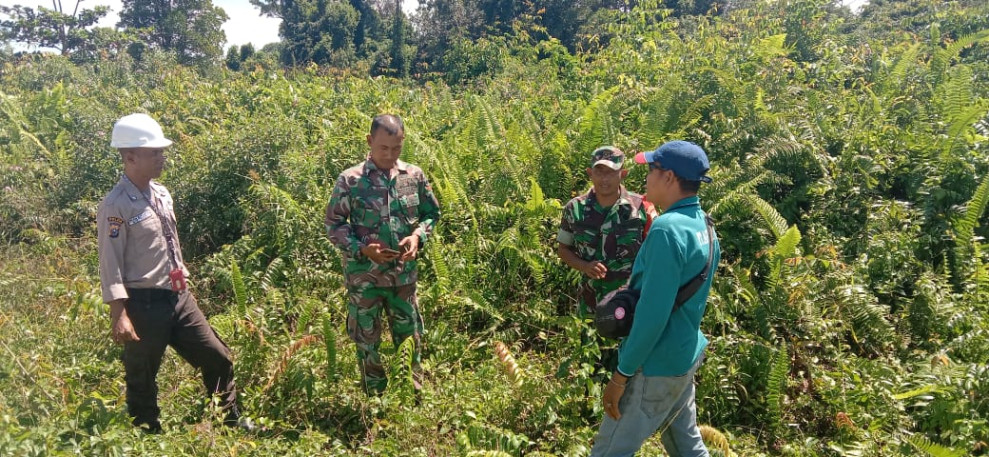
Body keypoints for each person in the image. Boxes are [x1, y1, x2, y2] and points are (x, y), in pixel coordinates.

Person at [97, 113, 249, 433]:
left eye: (161, 151)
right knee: (142, 375)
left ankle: (231, 425)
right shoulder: (115, 205)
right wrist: (118, 312)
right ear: (130, 157)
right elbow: (109, 260)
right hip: (143, 303)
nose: (161, 157)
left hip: (179, 298)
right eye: (154, 153)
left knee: (217, 357)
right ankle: (148, 437)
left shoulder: (161, 193)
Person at [592, 140, 721, 457]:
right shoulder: (704, 225)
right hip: (684, 356)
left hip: (655, 365)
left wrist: (621, 375)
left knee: (611, 450)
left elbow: (653, 315)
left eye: (652, 169)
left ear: (670, 177)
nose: (646, 177)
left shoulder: (666, 230)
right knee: (685, 444)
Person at [325, 114, 441, 395]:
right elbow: (334, 225)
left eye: (396, 148)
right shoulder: (350, 181)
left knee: (409, 340)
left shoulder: (413, 176)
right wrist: (361, 249)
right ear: (369, 142)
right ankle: (374, 398)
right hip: (365, 279)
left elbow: (431, 214)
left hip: (403, 279)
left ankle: (411, 397)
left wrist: (417, 237)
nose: (390, 155)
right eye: (383, 149)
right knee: (367, 343)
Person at [557, 146, 656, 370]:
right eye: (599, 172)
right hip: (590, 305)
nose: (604, 178)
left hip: (629, 304)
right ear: (589, 174)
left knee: (628, 368)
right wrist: (584, 266)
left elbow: (656, 253)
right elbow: (563, 249)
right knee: (590, 367)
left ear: (623, 174)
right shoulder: (574, 209)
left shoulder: (641, 208)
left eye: (611, 172)